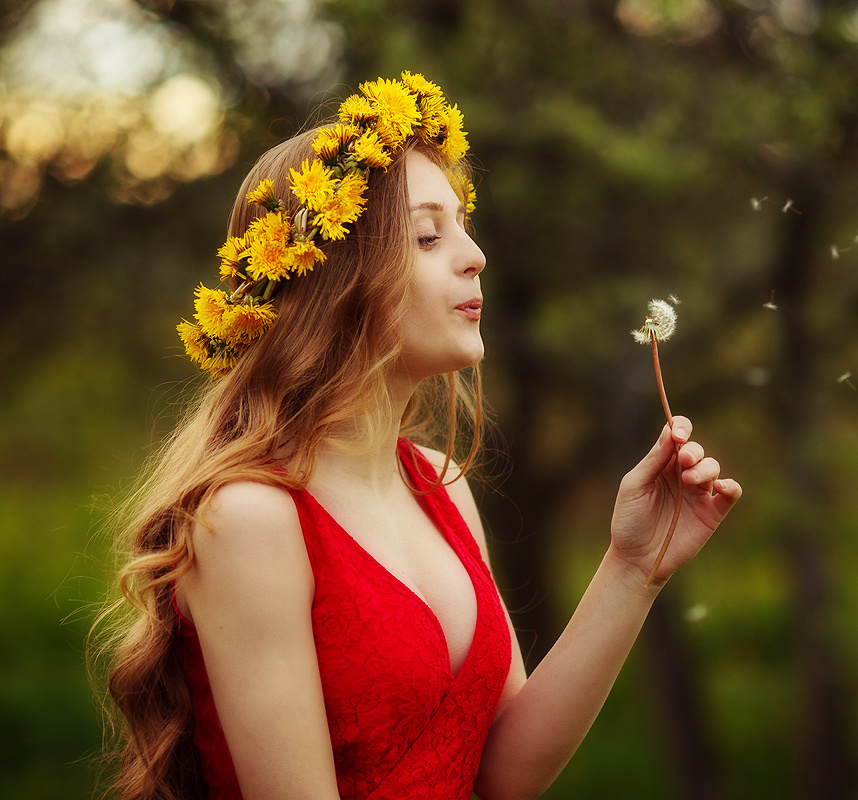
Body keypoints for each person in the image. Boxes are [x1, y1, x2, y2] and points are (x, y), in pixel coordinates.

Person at [99, 74, 741, 800]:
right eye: (429, 235)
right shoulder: (250, 519)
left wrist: (633, 569)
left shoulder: (439, 485)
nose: (475, 255)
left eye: (463, 225)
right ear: (335, 278)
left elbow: (502, 773)